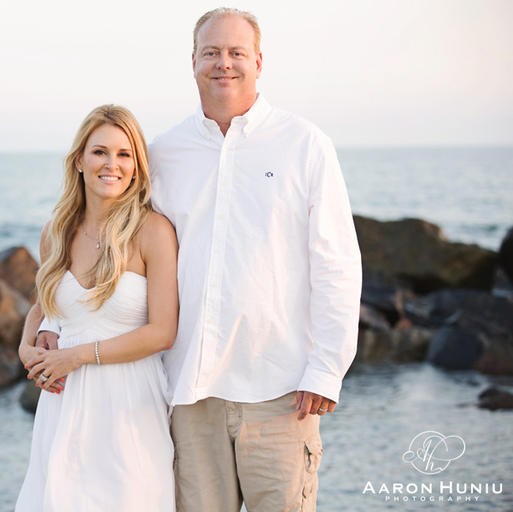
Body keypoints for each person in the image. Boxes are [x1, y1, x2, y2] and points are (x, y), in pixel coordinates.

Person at [146, 8, 362, 512]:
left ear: (259, 62)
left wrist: (327, 369)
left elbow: (337, 261)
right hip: (189, 394)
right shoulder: (164, 154)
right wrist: (56, 323)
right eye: (212, 52)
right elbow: (129, 258)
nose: (224, 63)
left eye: (236, 52)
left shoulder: (305, 144)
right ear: (193, 61)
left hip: (282, 392)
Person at [14, 105, 179, 512]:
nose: (112, 164)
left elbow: (162, 332)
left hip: (129, 407)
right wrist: (24, 345)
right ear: (79, 161)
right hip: (62, 406)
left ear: (138, 167)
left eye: (125, 155)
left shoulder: (152, 231)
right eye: (100, 152)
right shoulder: (56, 231)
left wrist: (76, 356)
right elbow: (45, 303)